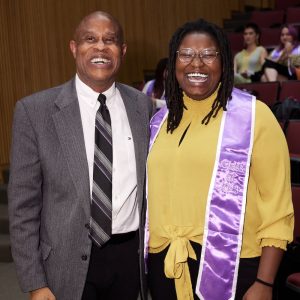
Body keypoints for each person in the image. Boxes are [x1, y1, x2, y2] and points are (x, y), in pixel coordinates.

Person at [144, 18, 294, 300]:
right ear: (174, 62)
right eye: (186, 54)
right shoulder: (159, 122)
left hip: (232, 266)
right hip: (165, 266)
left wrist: (265, 281)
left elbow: (277, 207)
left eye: (208, 54)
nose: (196, 64)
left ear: (224, 61)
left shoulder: (254, 116)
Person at [8, 11, 153, 300]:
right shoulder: (34, 112)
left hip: (129, 260)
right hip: (64, 263)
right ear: (74, 48)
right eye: (90, 39)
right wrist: (35, 281)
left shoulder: (143, 107)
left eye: (109, 40)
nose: (100, 47)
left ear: (122, 51)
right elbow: (22, 206)